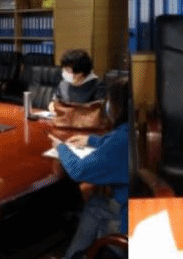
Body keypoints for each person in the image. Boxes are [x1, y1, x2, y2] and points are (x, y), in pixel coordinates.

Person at [49, 77, 129, 259]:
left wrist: (61, 148)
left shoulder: (121, 141)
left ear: (118, 106)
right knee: (95, 203)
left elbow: (79, 171)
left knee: (95, 205)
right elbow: (115, 141)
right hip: (136, 210)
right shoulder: (134, 129)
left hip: (127, 222)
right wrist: (91, 140)